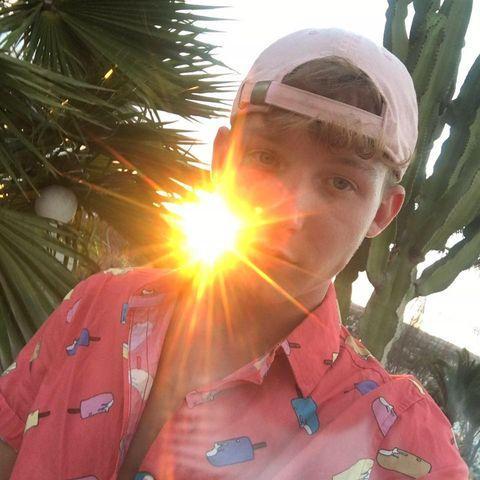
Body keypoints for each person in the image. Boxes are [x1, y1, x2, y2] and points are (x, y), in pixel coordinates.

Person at [0, 28, 469, 479]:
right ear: (222, 159)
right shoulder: (96, 304)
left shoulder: (404, 445)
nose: (288, 211)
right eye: (266, 158)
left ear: (382, 213)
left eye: (340, 182)